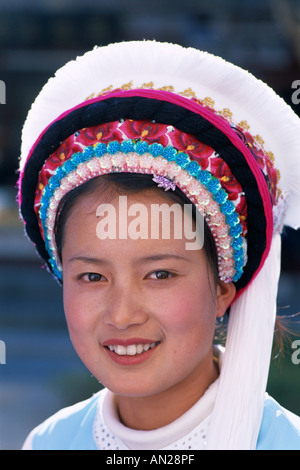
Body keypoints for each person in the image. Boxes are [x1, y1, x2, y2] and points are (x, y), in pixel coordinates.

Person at [18, 41, 300, 450]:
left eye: (160, 274)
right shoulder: (48, 443)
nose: (122, 314)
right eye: (92, 276)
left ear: (222, 288)